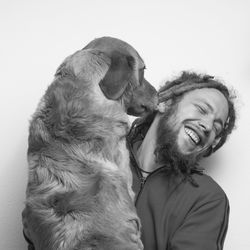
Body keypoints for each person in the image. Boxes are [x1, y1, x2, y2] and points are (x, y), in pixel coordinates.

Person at [127, 71, 236, 250]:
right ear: (165, 103)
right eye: (201, 109)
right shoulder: (97, 157)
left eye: (216, 127)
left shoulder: (207, 199)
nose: (208, 126)